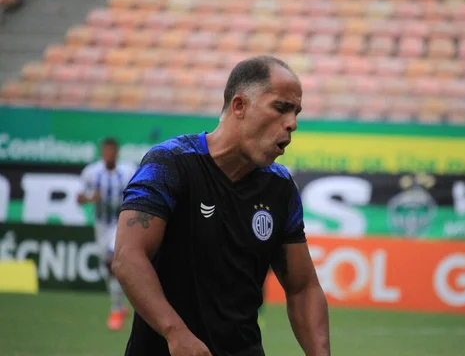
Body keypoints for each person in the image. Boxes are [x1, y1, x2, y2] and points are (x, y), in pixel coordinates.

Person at [113, 56, 330, 356]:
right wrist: (176, 334)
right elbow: (128, 257)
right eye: (281, 108)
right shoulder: (171, 164)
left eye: (296, 112)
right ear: (239, 106)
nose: (292, 123)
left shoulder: (280, 187)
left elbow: (303, 288)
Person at [78, 137, 136, 331]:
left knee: (112, 261)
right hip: (101, 224)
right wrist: (89, 198)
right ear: (102, 153)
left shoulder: (127, 171)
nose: (109, 155)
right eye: (106, 151)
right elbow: (79, 197)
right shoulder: (92, 173)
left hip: (121, 223)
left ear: (117, 153)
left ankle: (115, 310)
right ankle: (119, 303)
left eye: (112, 152)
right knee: (107, 264)